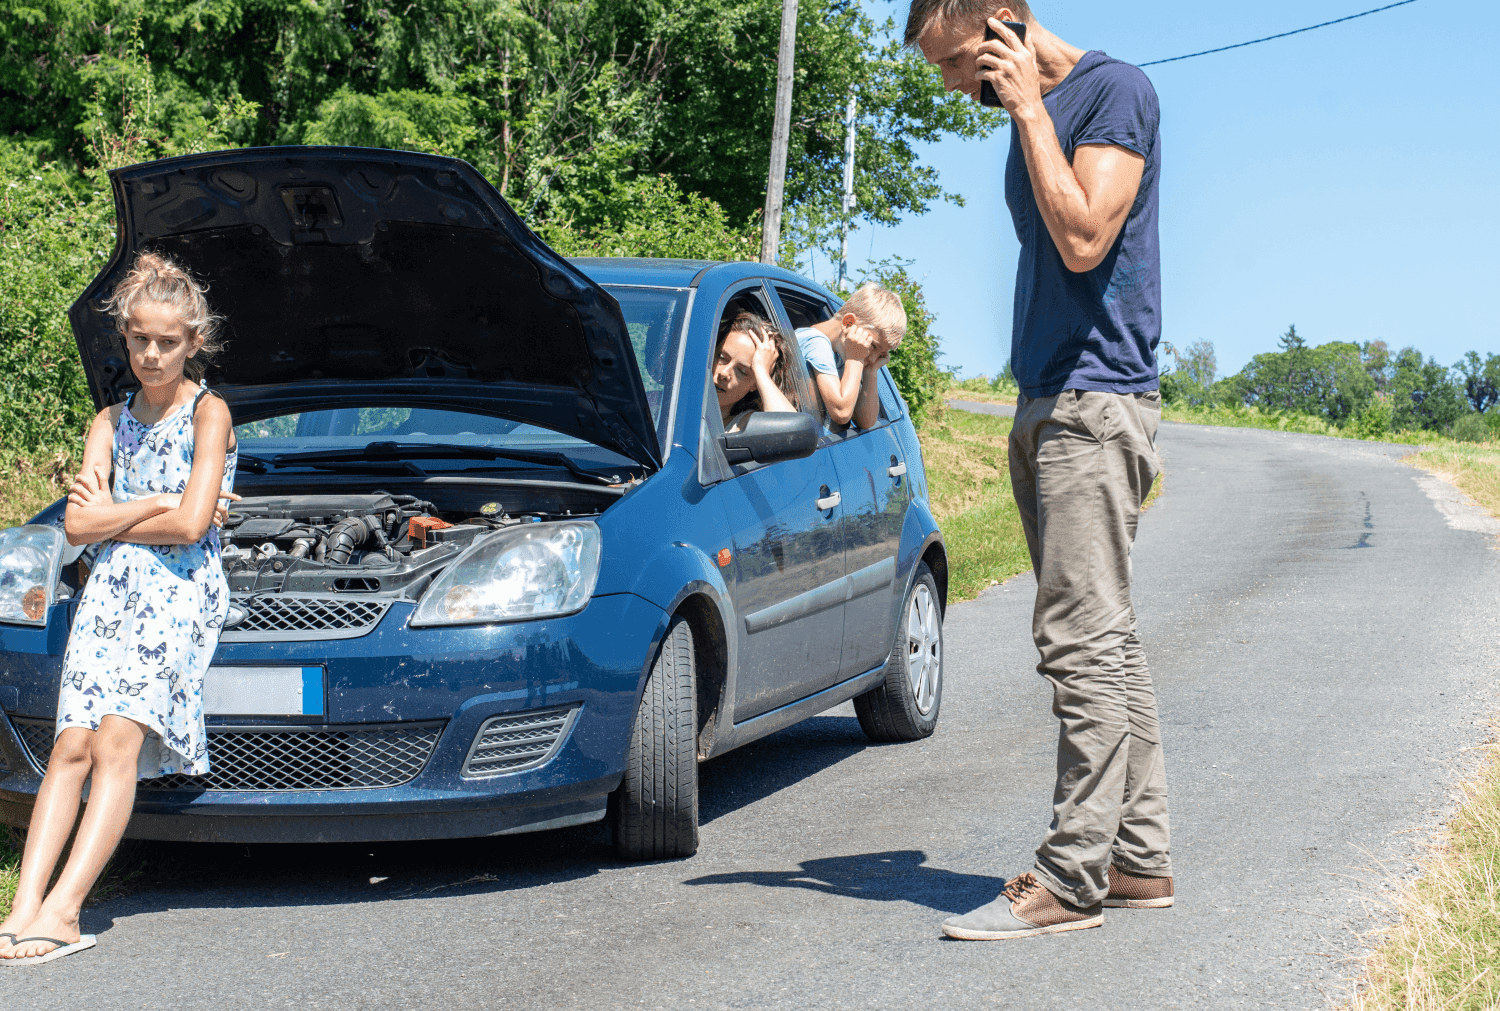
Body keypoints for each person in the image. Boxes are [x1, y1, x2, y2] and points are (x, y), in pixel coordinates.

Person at [910, 0, 1173, 940]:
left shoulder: (1114, 93)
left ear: (1002, 24)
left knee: (1081, 642)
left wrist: (1027, 109)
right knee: (1110, 638)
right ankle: (1139, 859)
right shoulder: (1036, 114)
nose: (951, 86)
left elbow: (1085, 238)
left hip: (1096, 405)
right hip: (1048, 397)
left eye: (954, 62)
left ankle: (1072, 877)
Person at [0, 252, 239, 965]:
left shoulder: (210, 411)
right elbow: (76, 528)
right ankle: (21, 909)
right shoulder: (107, 420)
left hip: (176, 593)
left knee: (113, 744)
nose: (152, 354)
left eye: (167, 341)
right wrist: (155, 503)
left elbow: (193, 527)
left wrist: (118, 514)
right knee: (68, 746)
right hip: (108, 593)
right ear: (125, 338)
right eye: (139, 339)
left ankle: (66, 912)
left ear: (194, 340)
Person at [795, 283, 906, 429]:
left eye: (881, 355)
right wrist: (856, 359)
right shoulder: (814, 341)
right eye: (872, 346)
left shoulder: (839, 358)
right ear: (848, 323)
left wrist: (870, 371)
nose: (873, 358)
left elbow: (865, 422)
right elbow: (841, 412)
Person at [714, 312, 801, 431]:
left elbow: (789, 431)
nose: (724, 373)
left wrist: (761, 371)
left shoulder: (744, 425)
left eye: (742, 371)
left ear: (755, 384)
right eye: (722, 358)